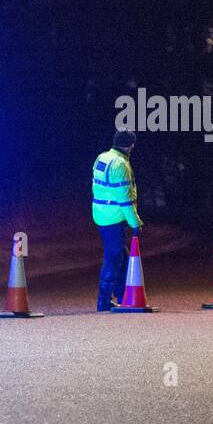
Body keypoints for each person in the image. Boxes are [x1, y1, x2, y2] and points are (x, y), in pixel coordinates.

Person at [91, 128, 143, 311]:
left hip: (100, 213)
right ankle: (103, 301)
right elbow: (125, 199)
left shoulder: (102, 158)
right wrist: (135, 223)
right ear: (131, 146)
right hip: (114, 216)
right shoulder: (121, 164)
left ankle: (122, 295)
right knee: (113, 257)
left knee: (121, 254)